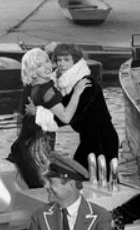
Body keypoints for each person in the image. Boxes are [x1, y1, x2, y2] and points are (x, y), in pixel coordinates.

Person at [27, 42, 119, 171]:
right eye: (59, 60)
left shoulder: (86, 85)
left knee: (90, 176)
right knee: (79, 175)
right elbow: (59, 107)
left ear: (75, 61)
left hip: (103, 141)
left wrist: (38, 114)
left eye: (66, 60)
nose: (61, 64)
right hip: (88, 140)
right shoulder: (66, 84)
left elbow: (66, 117)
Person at [19, 153, 113, 230]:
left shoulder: (100, 216)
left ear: (70, 184)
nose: (46, 186)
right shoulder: (39, 216)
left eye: (51, 181)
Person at [9, 47, 91, 188]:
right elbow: (66, 117)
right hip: (41, 154)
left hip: (27, 149)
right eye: (39, 66)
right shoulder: (47, 91)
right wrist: (77, 93)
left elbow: (20, 125)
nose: (47, 67)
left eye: (47, 61)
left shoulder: (30, 87)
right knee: (81, 175)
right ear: (33, 72)